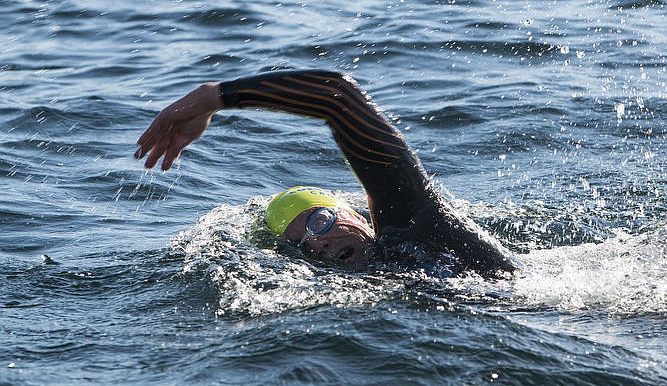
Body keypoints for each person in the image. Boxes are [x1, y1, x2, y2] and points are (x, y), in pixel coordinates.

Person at [135, 69, 519, 274]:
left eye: (318, 222)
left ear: (353, 215)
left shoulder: (414, 222)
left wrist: (213, 97)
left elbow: (337, 97)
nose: (317, 244)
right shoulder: (363, 283)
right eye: (302, 244)